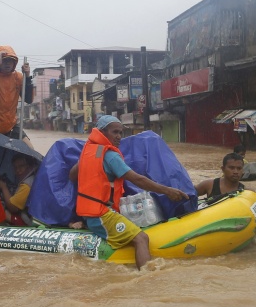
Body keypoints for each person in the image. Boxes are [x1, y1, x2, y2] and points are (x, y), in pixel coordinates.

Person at [69, 115, 189, 269]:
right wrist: (167, 190)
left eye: (121, 132)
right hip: (100, 214)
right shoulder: (110, 156)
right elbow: (137, 179)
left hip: (90, 211)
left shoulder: (89, 152)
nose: (119, 136)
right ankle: (146, 279)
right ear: (103, 132)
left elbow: (72, 176)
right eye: (115, 132)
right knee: (141, 238)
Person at [0, 155, 38, 226]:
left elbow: (13, 207)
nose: (17, 170)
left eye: (21, 166)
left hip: (30, 221)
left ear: (30, 166)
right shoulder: (34, 178)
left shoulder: (27, 185)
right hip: (31, 215)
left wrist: (3, 187)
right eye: (15, 167)